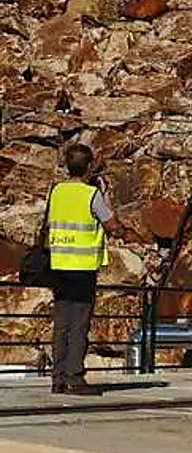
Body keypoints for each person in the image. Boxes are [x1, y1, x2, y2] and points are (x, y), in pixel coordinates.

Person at [47, 143, 120, 396]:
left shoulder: (56, 191)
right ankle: (74, 376)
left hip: (58, 264)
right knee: (78, 324)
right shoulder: (91, 194)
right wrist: (107, 199)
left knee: (61, 324)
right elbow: (111, 224)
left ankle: (57, 378)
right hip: (82, 267)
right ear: (89, 167)